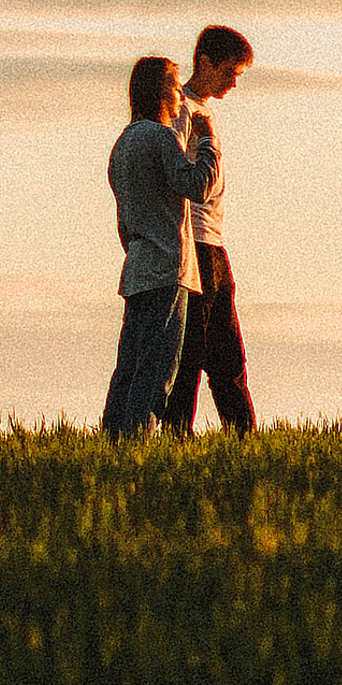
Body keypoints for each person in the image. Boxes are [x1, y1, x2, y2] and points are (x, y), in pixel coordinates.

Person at [101, 55, 219, 437]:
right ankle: (138, 437)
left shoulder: (123, 143)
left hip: (136, 265)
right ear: (160, 92)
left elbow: (124, 216)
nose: (180, 96)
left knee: (129, 364)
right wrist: (206, 141)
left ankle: (113, 435)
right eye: (174, 86)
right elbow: (196, 186)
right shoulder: (162, 136)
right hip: (168, 266)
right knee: (157, 367)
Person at [160, 23, 258, 434]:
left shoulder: (201, 108)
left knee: (227, 353)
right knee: (192, 352)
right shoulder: (182, 110)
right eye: (230, 71)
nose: (235, 82)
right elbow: (182, 178)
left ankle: (243, 435)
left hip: (213, 244)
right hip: (195, 242)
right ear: (206, 62)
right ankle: (177, 434)